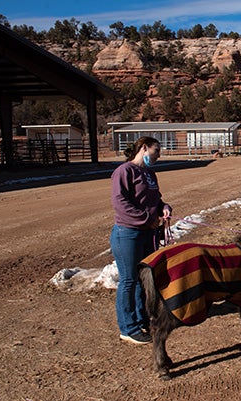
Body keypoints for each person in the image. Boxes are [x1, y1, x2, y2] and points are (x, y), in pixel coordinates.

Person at [110, 136, 172, 345]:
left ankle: (143, 319)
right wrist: (148, 219)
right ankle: (128, 328)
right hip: (128, 233)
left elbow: (156, 199)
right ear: (144, 148)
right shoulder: (124, 172)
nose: (158, 156)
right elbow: (121, 203)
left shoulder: (149, 173)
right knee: (128, 280)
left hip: (148, 232)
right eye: (156, 151)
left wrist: (164, 208)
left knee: (143, 278)